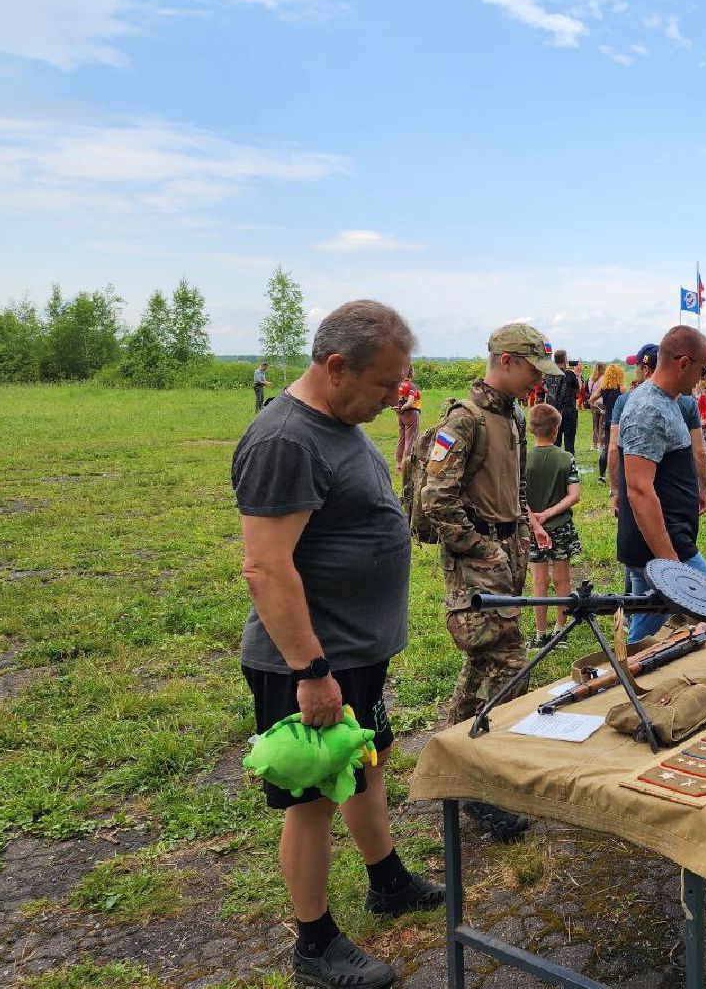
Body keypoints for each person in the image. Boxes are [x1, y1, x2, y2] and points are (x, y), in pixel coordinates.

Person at [233, 300, 443, 989]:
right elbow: (266, 566)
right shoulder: (285, 441)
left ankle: (386, 879)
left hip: (355, 655)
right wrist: (312, 670)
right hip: (311, 663)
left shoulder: (340, 421)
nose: (396, 397)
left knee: (367, 761)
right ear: (335, 367)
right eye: (386, 385)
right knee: (315, 799)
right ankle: (315, 943)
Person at [418, 322, 557, 842]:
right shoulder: (465, 419)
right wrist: (483, 547)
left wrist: (524, 522)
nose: (535, 382)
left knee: (485, 660)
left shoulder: (512, 417)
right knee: (509, 667)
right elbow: (437, 501)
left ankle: (448, 759)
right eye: (530, 370)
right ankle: (486, 785)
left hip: (507, 550)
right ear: (505, 362)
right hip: (480, 559)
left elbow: (512, 483)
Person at [618, 327, 706, 643]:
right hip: (663, 550)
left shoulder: (669, 402)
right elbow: (639, 489)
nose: (703, 378)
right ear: (684, 363)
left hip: (666, 545)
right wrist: (669, 565)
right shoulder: (648, 408)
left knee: (643, 636)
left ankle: (624, 680)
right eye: (704, 369)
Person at [607, 345, 706, 524]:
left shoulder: (625, 401)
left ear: (645, 368)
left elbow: (614, 448)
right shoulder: (688, 403)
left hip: (637, 489)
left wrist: (616, 490)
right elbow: (699, 452)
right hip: (677, 493)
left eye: (636, 366)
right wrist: (702, 490)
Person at [524, 403, 582, 648]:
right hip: (561, 526)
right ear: (556, 430)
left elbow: (519, 498)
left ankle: (540, 634)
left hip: (531, 529)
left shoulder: (522, 460)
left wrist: (536, 519)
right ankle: (561, 630)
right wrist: (550, 513)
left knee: (539, 582)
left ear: (530, 429)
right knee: (563, 579)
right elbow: (574, 495)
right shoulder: (566, 458)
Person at [588, 362, 625, 480]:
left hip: (608, 420)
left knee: (606, 447)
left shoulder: (603, 388)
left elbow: (591, 400)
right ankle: (619, 476)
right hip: (619, 422)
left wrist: (602, 408)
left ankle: (602, 476)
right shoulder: (622, 388)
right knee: (620, 449)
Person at [542, 349, 580, 457]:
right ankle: (570, 466)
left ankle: (554, 463)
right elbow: (577, 390)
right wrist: (577, 375)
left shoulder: (549, 374)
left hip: (553, 410)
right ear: (565, 360)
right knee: (569, 441)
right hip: (568, 410)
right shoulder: (569, 374)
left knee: (555, 440)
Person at [394, 366, 421, 473]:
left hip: (400, 414)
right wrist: (405, 407)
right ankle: (407, 466)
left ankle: (398, 465)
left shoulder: (397, 384)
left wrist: (398, 409)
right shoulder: (411, 386)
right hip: (411, 413)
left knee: (401, 439)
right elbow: (410, 403)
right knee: (410, 440)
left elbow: (395, 401)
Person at [587, 361, 608, 452]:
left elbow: (589, 391)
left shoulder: (590, 379)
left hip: (593, 403)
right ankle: (601, 445)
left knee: (595, 425)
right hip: (602, 403)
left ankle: (594, 445)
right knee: (602, 425)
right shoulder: (603, 379)